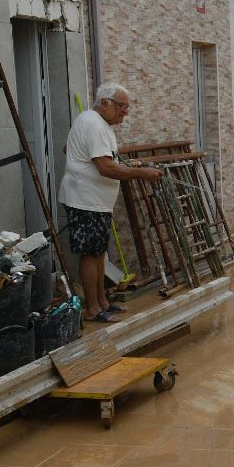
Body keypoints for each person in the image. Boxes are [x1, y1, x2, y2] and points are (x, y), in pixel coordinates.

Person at [59, 83, 163, 323]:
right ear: (104, 103)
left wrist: (123, 165)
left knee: (99, 253)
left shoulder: (96, 124)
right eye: (121, 106)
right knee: (91, 253)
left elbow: (70, 149)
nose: (125, 112)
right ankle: (93, 309)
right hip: (85, 200)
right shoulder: (93, 124)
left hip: (95, 201)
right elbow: (105, 168)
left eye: (127, 106)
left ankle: (103, 302)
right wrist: (143, 173)